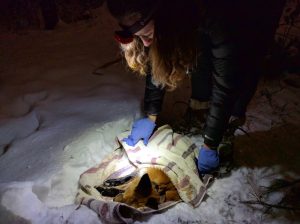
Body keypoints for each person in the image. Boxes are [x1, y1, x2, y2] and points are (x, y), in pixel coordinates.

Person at [106, 0, 270, 174]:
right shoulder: (164, 16)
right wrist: (151, 115)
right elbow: (157, 59)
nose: (145, 43)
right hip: (193, 20)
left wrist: (211, 143)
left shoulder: (215, 15)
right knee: (194, 49)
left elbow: (225, 84)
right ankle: (199, 111)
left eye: (146, 34)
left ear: (164, 19)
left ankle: (227, 128)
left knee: (245, 68)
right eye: (139, 37)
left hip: (251, 14)